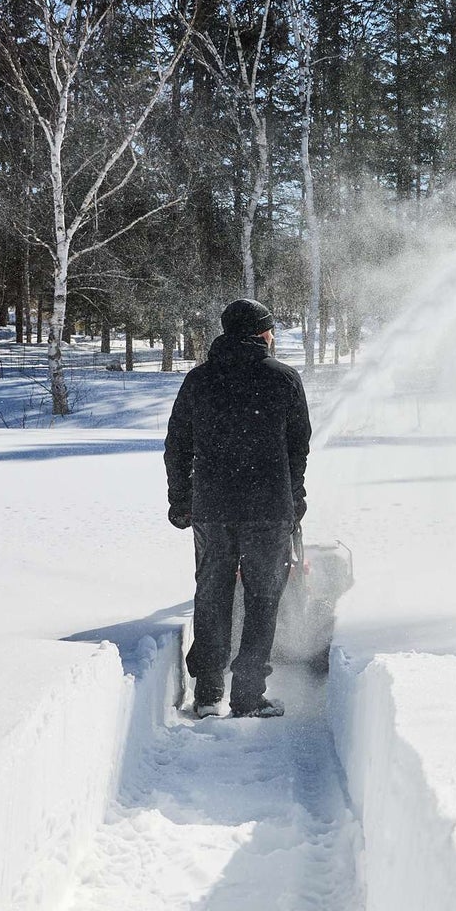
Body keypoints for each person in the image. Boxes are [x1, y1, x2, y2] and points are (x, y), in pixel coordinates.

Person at [164, 298, 312, 719]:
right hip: (268, 507)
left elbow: (177, 446)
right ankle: (247, 695)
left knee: (212, 594)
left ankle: (208, 692)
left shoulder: (199, 380)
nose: (273, 336)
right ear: (261, 334)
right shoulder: (284, 379)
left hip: (212, 508)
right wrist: (294, 499)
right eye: (270, 329)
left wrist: (181, 499)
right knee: (263, 598)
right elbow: (297, 448)